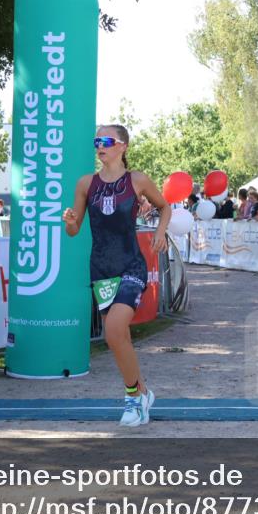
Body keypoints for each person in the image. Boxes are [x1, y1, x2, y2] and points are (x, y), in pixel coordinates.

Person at [63, 125, 171, 427]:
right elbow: (74, 231)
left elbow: (164, 207)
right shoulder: (86, 183)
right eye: (96, 140)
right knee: (118, 336)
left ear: (122, 146)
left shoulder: (137, 181)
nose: (100, 146)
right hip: (100, 269)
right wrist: (69, 222)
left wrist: (160, 232)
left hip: (131, 266)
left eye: (106, 141)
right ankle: (144, 391)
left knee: (113, 330)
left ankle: (133, 399)